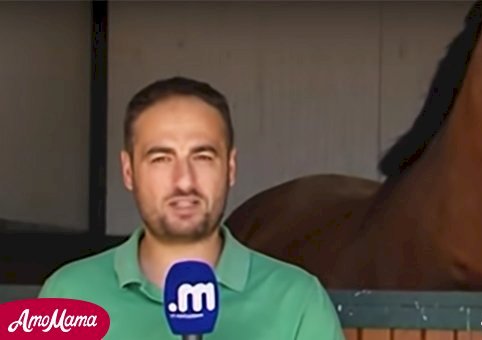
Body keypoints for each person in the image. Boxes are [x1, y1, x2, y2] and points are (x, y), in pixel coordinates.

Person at [38, 76, 346, 340]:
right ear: (128, 170)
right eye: (161, 158)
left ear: (230, 167)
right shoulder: (67, 293)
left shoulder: (298, 300)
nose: (184, 180)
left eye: (202, 157)